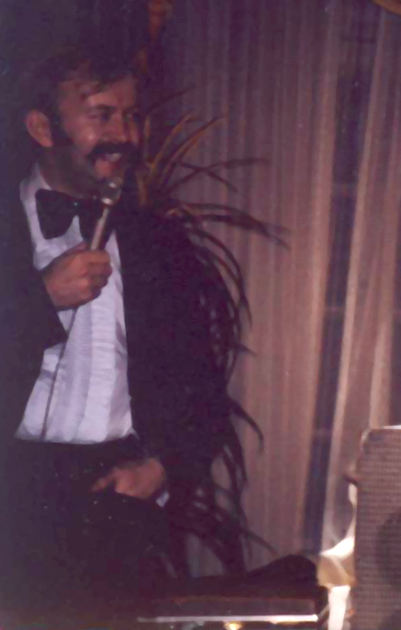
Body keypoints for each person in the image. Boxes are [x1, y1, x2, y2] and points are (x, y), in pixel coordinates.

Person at [0, 43, 243, 616]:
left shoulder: (159, 242)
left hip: (118, 492)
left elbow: (202, 387)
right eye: (101, 114)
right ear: (42, 127)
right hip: (13, 489)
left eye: (131, 116)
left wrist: (161, 468)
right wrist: (41, 300)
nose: (124, 135)